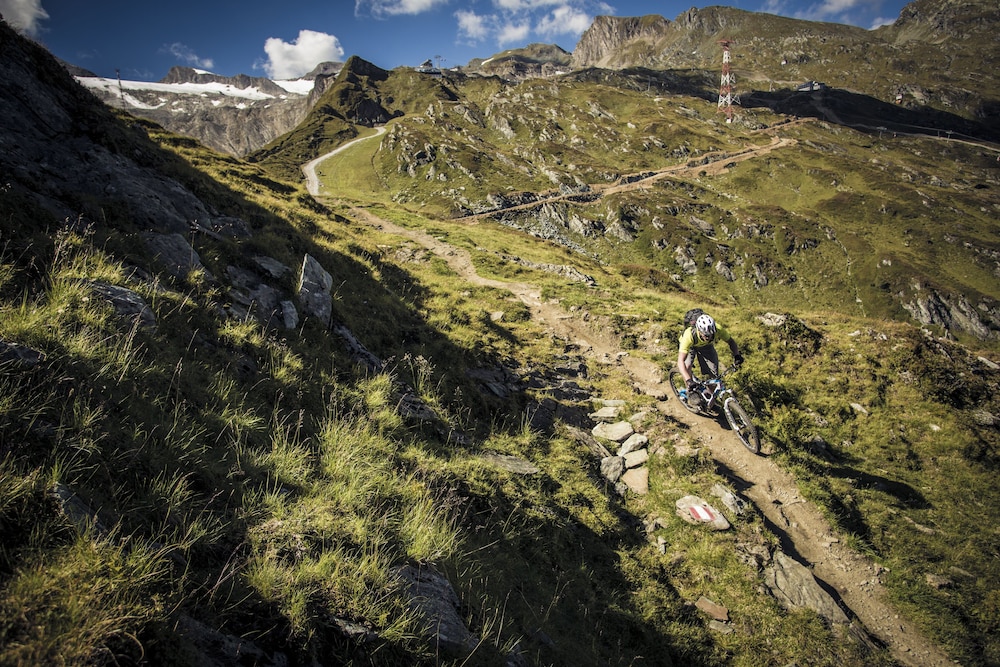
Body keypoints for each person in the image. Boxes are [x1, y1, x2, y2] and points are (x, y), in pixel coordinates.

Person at [677, 313, 743, 409]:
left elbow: (731, 341)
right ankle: (690, 392)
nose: (708, 337)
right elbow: (680, 362)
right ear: (699, 331)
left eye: (711, 335)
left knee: (714, 374)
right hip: (690, 345)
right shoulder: (689, 335)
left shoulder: (718, 329)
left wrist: (737, 355)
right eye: (706, 335)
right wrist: (688, 380)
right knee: (687, 366)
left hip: (706, 346)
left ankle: (710, 399)